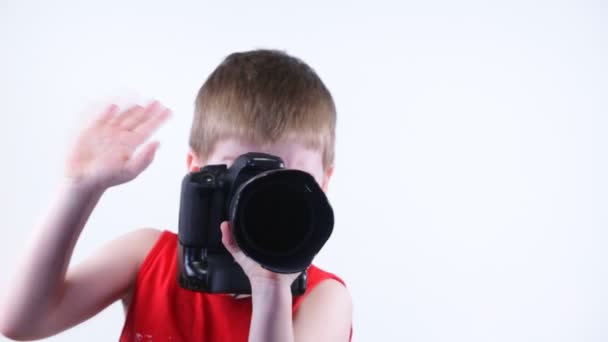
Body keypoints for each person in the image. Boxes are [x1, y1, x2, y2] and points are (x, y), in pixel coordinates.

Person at [0, 49, 352, 341]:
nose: (265, 198)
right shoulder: (147, 257)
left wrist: (272, 286)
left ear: (322, 185)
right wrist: (79, 188)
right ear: (197, 172)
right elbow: (22, 321)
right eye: (240, 174)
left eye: (288, 179)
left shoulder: (324, 300)